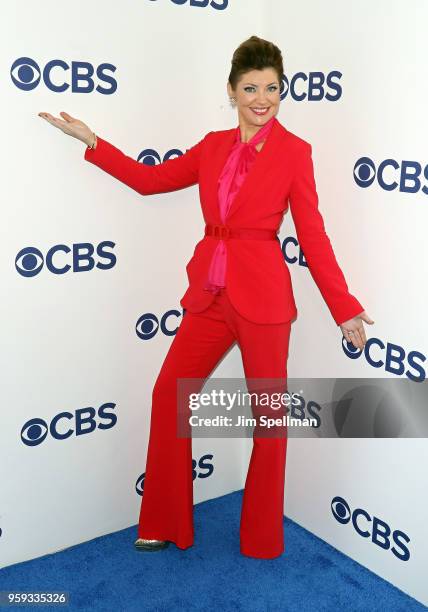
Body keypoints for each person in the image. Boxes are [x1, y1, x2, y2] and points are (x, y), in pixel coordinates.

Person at [38, 35, 374, 559]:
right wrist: (93, 142)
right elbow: (151, 181)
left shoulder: (294, 152)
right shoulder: (212, 146)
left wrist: (344, 306)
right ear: (232, 91)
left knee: (269, 419)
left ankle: (261, 537)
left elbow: (313, 235)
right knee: (168, 393)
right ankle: (165, 521)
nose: (262, 98)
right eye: (250, 88)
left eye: (272, 88)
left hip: (263, 300)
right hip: (210, 296)